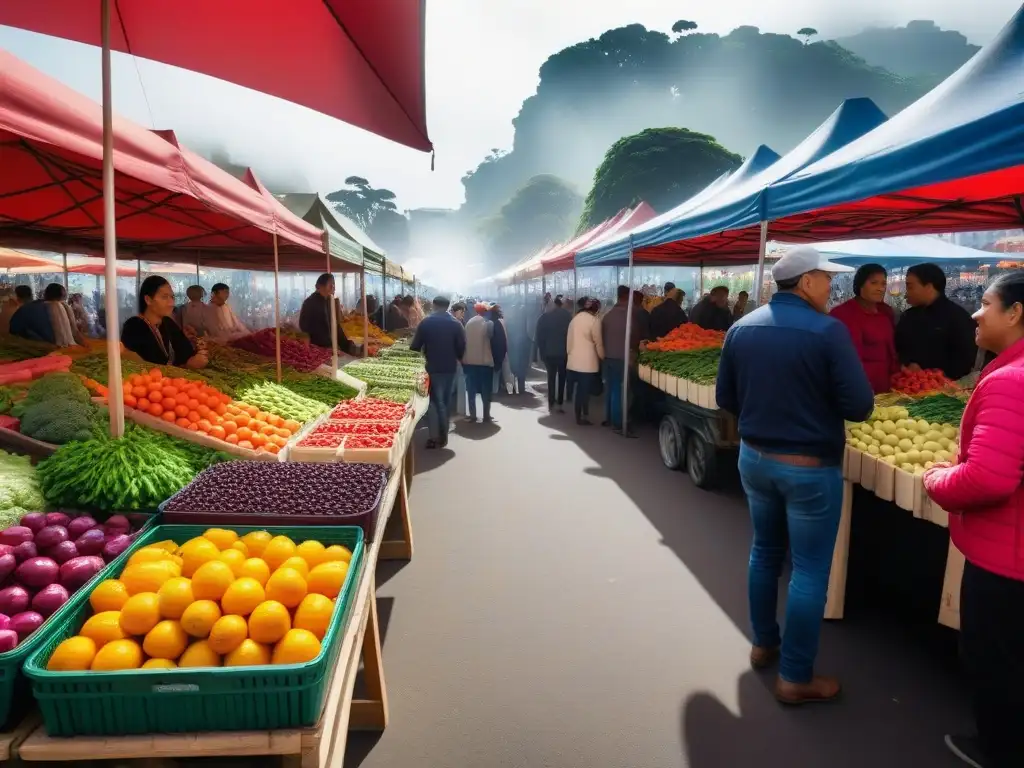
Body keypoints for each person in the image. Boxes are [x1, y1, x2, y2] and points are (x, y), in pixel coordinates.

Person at [715, 246, 874, 705]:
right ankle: (796, 676)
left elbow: (727, 396)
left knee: (764, 552)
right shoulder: (828, 332)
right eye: (826, 279)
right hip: (808, 470)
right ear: (806, 283)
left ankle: (764, 643)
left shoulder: (741, 328)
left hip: (755, 460)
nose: (831, 286)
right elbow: (860, 406)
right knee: (808, 570)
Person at [922, 271, 1024, 768]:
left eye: (985, 302)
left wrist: (937, 480)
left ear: (1016, 312)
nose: (976, 314)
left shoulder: (1010, 380)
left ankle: (998, 753)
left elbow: (987, 478)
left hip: (1008, 561)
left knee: (996, 664)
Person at [896, 263, 977, 381]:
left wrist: (932, 374)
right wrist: (908, 363)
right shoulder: (908, 316)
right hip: (909, 385)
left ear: (929, 287)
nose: (906, 294)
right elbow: (899, 348)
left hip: (946, 391)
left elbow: (966, 359)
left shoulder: (958, 317)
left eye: (910, 287)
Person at [829, 264, 898, 393]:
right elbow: (846, 359)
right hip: (860, 387)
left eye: (883, 284)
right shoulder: (843, 313)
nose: (880, 288)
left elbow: (890, 350)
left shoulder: (886, 312)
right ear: (860, 284)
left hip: (887, 388)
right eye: (874, 283)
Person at [410, 296, 467, 449]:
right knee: (445, 402)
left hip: (432, 367)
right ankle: (444, 434)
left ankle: (435, 436)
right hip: (450, 368)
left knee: (434, 402)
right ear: (448, 307)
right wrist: (457, 357)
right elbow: (462, 347)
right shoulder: (456, 324)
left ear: (434, 306)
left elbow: (415, 347)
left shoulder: (426, 322)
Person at [121, 276, 208, 368]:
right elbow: (138, 366)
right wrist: (187, 366)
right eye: (164, 297)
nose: (171, 303)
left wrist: (198, 351)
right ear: (148, 300)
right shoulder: (134, 326)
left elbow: (185, 351)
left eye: (172, 297)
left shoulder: (168, 322)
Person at [601, 285, 642, 436]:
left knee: (611, 389)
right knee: (620, 391)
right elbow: (635, 336)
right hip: (621, 357)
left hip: (608, 357)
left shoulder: (608, 315)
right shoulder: (629, 315)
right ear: (627, 296)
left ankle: (609, 419)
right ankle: (618, 424)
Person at [298, 274, 359, 355]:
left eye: (334, 285)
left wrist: (348, 345)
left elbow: (335, 326)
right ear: (319, 286)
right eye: (331, 285)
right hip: (318, 348)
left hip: (330, 346)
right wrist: (327, 346)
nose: (334, 288)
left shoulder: (329, 301)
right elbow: (305, 327)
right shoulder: (310, 303)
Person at [567, 297, 604, 425]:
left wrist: (570, 355)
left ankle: (581, 415)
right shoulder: (594, 321)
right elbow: (598, 342)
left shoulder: (574, 320)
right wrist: (602, 356)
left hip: (573, 361)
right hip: (587, 363)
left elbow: (569, 341)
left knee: (580, 390)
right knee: (584, 391)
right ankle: (581, 417)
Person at [10, 283, 83, 347]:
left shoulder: (27, 308)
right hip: (46, 350)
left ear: (45, 294)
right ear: (61, 297)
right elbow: (75, 333)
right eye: (65, 298)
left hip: (28, 347)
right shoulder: (59, 307)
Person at [535, 295, 572, 412]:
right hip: (563, 353)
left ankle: (551, 402)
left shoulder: (543, 317)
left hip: (548, 353)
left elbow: (539, 338)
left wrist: (540, 353)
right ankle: (560, 402)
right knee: (562, 377)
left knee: (551, 377)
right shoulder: (567, 316)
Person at [463, 302, 495, 423]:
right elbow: (492, 339)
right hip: (485, 362)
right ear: (486, 311)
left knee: (471, 390)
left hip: (469, 361)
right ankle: (486, 415)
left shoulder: (468, 323)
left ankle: (473, 415)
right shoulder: (488, 323)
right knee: (486, 390)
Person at [488, 303, 509, 396]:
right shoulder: (498, 323)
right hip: (497, 353)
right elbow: (501, 341)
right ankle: (495, 391)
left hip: (487, 354)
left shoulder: (486, 322)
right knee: (496, 373)